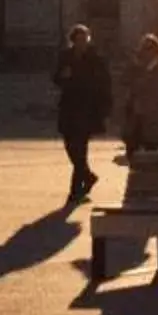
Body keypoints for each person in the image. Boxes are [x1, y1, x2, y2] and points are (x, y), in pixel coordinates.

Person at [52, 25, 114, 205]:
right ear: (73, 40)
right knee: (70, 148)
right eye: (78, 40)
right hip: (68, 107)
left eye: (84, 39)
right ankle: (88, 177)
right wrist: (62, 76)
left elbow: (105, 84)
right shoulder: (66, 56)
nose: (81, 43)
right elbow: (55, 77)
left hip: (86, 109)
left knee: (80, 149)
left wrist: (105, 109)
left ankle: (75, 191)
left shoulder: (95, 59)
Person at [121, 34, 158, 153]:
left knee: (147, 149)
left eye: (146, 49)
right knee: (134, 147)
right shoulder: (147, 65)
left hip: (151, 116)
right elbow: (126, 80)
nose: (144, 53)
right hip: (142, 115)